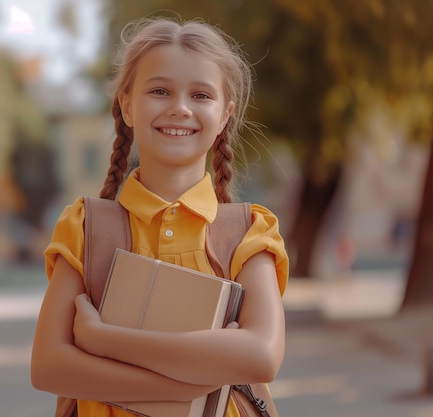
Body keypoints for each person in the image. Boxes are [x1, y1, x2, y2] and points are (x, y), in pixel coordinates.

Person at [30, 16, 289, 417]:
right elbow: (48, 367)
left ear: (225, 115)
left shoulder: (249, 232)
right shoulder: (85, 227)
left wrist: (104, 341)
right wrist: (201, 379)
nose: (180, 108)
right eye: (160, 90)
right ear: (127, 105)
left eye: (201, 95)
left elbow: (261, 357)